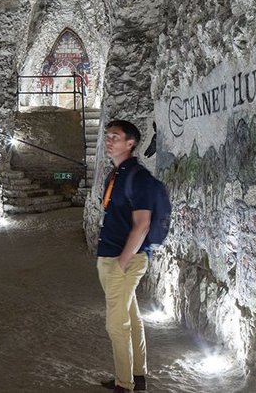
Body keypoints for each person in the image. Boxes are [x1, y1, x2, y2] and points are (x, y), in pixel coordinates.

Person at [97, 119, 151, 392]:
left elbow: (143, 224)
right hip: (111, 255)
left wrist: (121, 262)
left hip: (123, 259)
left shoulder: (138, 177)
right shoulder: (115, 175)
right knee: (131, 314)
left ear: (130, 143)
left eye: (115, 137)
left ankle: (124, 385)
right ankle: (138, 376)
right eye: (107, 136)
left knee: (116, 324)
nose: (109, 141)